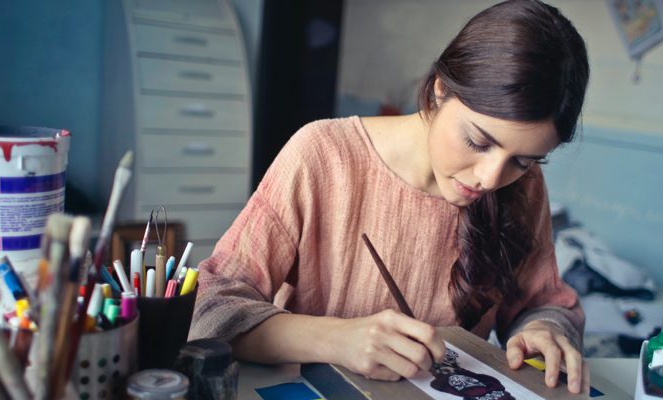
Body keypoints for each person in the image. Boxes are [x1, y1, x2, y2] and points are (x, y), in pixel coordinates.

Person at [190, 0, 590, 394]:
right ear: (439, 91)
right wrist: (336, 339)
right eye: (477, 140)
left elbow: (544, 302)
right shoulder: (323, 155)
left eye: (522, 160)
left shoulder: (522, 185)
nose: (490, 178)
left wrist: (545, 328)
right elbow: (210, 308)